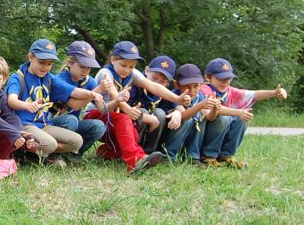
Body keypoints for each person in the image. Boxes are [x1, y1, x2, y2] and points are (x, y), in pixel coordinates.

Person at [85, 41, 188, 175]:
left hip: (113, 118)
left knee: (132, 134)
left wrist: (177, 99)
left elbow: (153, 86)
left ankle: (106, 152)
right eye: (123, 65)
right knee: (124, 120)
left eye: (131, 66)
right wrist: (128, 110)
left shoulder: (132, 74)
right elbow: (115, 96)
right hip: (96, 115)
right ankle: (136, 160)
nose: (127, 70)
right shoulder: (105, 73)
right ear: (113, 60)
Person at [6, 39, 102, 168]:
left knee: (77, 141)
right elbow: (11, 101)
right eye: (42, 62)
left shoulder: (49, 78)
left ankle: (39, 153)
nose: (45, 67)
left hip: (43, 124)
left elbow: (73, 91)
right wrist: (27, 105)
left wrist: (92, 94)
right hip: (23, 124)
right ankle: (21, 149)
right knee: (49, 144)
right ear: (31, 57)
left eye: (50, 64)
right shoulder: (18, 77)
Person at [199, 58, 288, 168]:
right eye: (220, 79)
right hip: (203, 132)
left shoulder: (228, 90)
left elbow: (254, 95)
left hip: (219, 129)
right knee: (224, 118)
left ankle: (225, 156)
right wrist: (239, 112)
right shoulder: (204, 89)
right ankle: (208, 157)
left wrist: (274, 93)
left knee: (241, 120)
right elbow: (215, 107)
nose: (225, 82)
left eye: (228, 79)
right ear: (208, 77)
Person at [53, 41, 109, 157]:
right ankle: (54, 154)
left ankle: (73, 154)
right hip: (53, 124)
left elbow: (103, 109)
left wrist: (118, 98)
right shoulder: (59, 80)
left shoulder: (89, 81)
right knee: (71, 120)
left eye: (89, 67)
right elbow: (74, 105)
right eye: (82, 66)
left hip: (73, 125)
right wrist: (98, 90)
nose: (85, 71)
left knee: (99, 126)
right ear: (69, 62)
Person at [160, 63, 215, 165]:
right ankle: (168, 156)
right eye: (187, 86)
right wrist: (200, 106)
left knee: (201, 117)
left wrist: (214, 108)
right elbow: (184, 116)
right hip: (168, 134)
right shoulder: (174, 95)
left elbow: (209, 117)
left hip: (184, 137)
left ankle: (192, 156)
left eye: (196, 86)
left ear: (201, 85)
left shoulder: (199, 96)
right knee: (187, 119)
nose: (192, 91)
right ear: (177, 84)